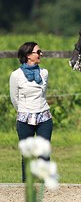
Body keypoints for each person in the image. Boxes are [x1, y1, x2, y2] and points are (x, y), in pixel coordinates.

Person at [9, 42, 53, 182]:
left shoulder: (44, 73)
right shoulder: (16, 75)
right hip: (24, 119)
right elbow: (14, 98)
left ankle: (45, 186)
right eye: (38, 52)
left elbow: (43, 95)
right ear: (28, 55)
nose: (41, 54)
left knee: (44, 153)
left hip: (44, 118)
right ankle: (26, 187)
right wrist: (25, 111)